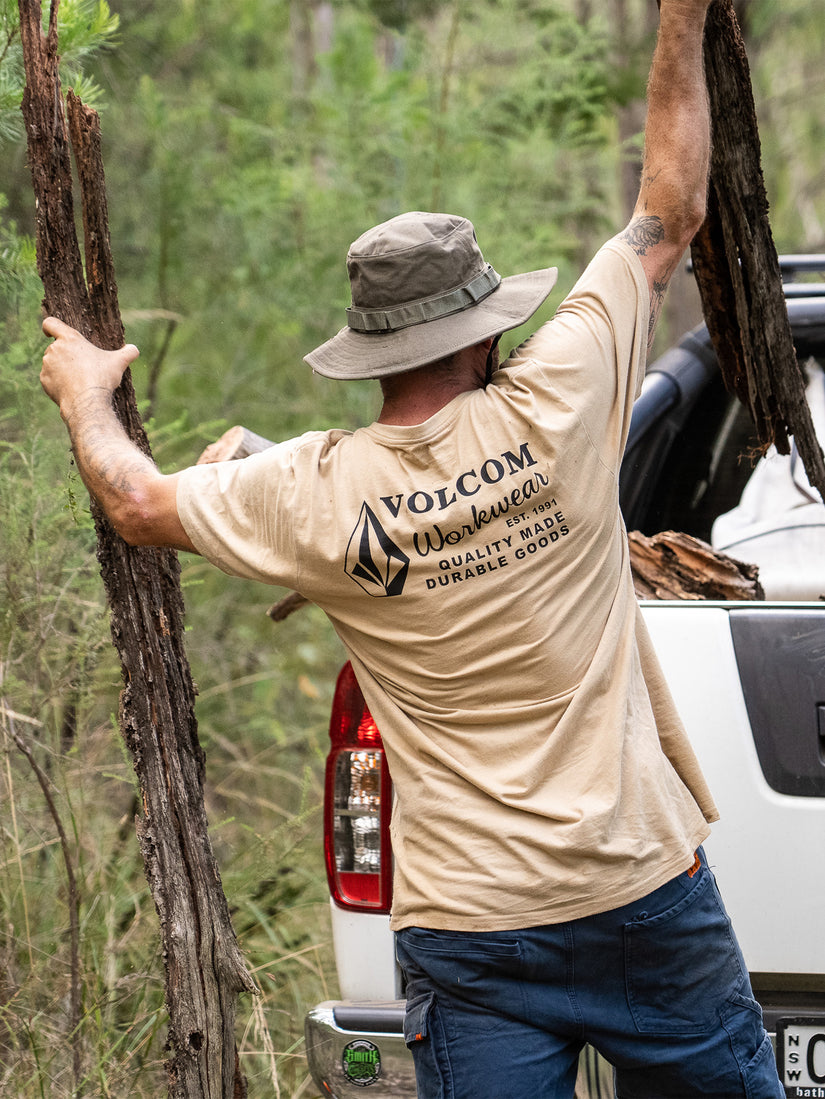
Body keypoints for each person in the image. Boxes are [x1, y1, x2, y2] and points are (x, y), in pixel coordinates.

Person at [40, 1, 785, 1096]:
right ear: (484, 330)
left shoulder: (314, 493)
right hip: (640, 898)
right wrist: (680, 18)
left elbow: (138, 503)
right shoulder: (562, 396)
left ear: (372, 354)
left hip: (472, 933)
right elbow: (669, 208)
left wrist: (85, 394)